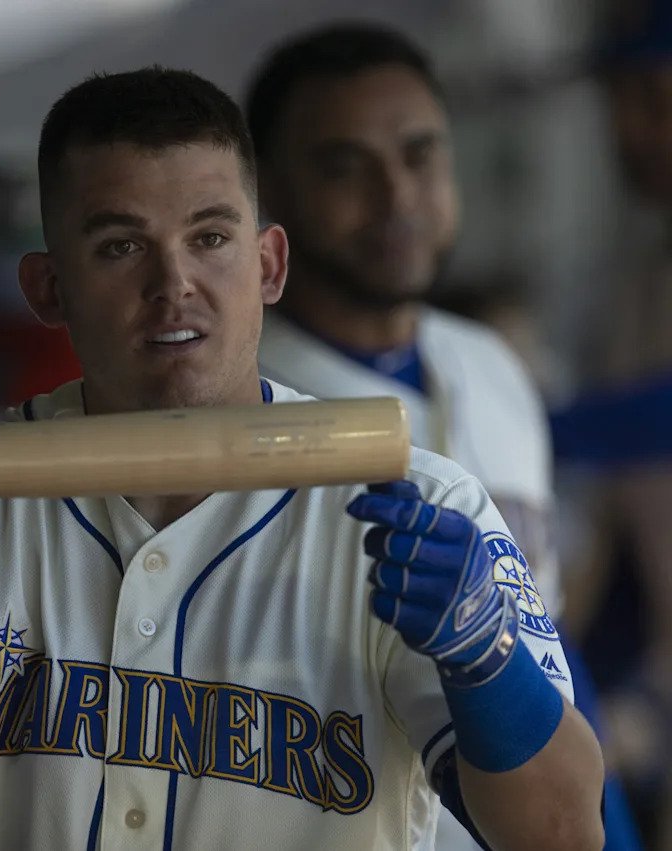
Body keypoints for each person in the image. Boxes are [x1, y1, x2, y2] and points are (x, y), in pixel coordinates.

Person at [0, 66, 604, 849]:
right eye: (120, 246)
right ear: (47, 287)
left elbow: (564, 835)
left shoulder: (416, 505)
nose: (173, 282)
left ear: (269, 264)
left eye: (210, 237)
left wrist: (483, 654)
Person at [243, 23, 638, 849]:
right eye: (344, 166)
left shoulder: (490, 364)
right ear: (269, 192)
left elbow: (545, 640)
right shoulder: (243, 406)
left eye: (419, 154)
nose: (396, 196)